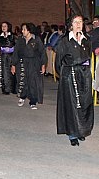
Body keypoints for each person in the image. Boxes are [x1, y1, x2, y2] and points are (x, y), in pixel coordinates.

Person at [55, 14, 93, 146]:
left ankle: (81, 130)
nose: (78, 24)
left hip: (84, 75)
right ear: (71, 25)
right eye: (75, 22)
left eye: (80, 22)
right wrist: (65, 76)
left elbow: (89, 58)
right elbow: (58, 62)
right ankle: (72, 133)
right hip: (70, 75)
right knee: (71, 104)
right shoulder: (64, 41)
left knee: (84, 103)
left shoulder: (86, 40)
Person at [11, 22, 46, 110]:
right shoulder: (20, 40)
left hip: (34, 63)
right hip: (22, 62)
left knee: (32, 82)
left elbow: (42, 52)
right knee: (22, 80)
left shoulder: (36, 39)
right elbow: (15, 53)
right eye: (22, 29)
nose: (22, 31)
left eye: (24, 29)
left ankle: (33, 101)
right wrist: (13, 65)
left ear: (29, 30)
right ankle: (22, 97)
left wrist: (43, 64)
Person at [0, 21, 17, 95]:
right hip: (4, 55)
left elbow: (14, 45)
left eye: (5, 26)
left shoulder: (12, 36)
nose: (3, 28)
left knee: (12, 71)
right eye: (2, 26)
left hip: (11, 55)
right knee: (4, 71)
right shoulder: (0, 36)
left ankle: (13, 88)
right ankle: (6, 88)